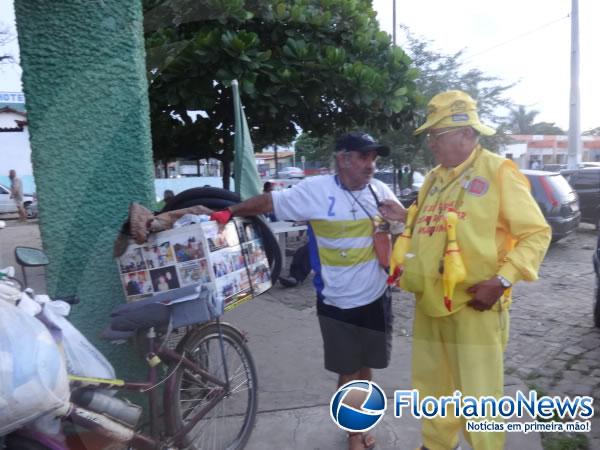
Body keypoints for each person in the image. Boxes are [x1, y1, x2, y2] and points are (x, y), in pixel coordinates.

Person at [211, 131, 407, 450]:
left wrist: (404, 218)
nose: (371, 164)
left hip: (376, 296)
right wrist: (231, 211)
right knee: (347, 371)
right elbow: (270, 202)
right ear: (343, 158)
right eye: (363, 156)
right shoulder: (315, 191)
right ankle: (353, 434)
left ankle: (363, 420)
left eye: (374, 157)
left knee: (367, 366)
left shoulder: (380, 190)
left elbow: (405, 225)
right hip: (336, 301)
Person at [379, 90, 551, 450]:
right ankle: (437, 445)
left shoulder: (498, 172)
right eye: (430, 136)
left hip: (475, 305)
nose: (431, 144)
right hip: (430, 303)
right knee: (433, 388)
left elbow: (536, 233)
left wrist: (502, 281)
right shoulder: (434, 178)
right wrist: (406, 217)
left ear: (467, 134)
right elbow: (441, 224)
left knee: (478, 393)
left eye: (436, 136)